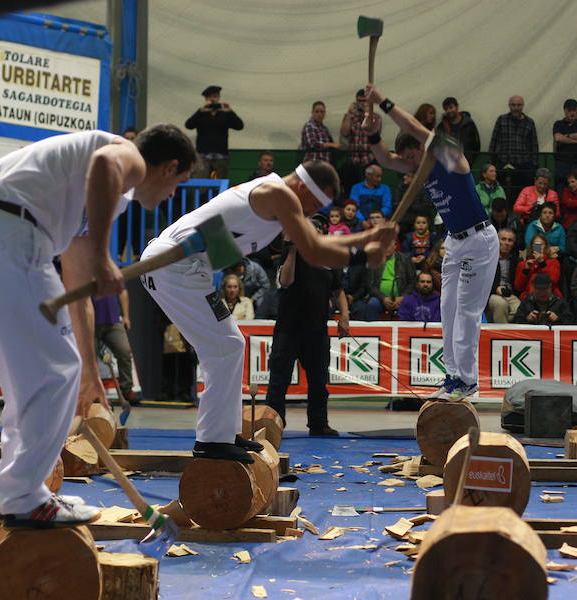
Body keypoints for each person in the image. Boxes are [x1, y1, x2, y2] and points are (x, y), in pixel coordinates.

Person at [0, 124, 197, 527]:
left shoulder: (98, 195)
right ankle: (25, 494)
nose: (170, 195)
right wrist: (103, 254)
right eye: (178, 184)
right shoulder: (126, 158)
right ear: (169, 168)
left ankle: (17, 491)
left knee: (31, 377)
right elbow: (105, 166)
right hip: (10, 235)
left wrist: (87, 372)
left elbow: (78, 285)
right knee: (51, 374)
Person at [142, 160, 394, 462]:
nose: (312, 211)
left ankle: (223, 433)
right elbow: (313, 250)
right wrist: (364, 254)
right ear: (302, 186)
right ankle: (211, 442)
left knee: (232, 344)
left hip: (190, 269)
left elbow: (315, 242)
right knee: (223, 347)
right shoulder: (277, 192)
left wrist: (368, 238)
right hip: (173, 266)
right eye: (314, 202)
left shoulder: (278, 200)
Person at [363, 83, 497, 400]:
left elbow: (415, 128)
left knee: (466, 311)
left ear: (423, 149)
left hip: (479, 239)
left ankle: (467, 380)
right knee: (447, 309)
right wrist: (371, 134)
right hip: (454, 242)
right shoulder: (417, 166)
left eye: (412, 157)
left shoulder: (452, 157)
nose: (408, 165)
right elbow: (385, 159)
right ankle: (452, 377)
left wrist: (382, 101)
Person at [265, 219, 349, 437]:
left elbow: (338, 290)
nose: (317, 232)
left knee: (319, 380)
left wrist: (345, 317)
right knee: (279, 379)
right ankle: (274, 423)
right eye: (312, 229)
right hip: (288, 328)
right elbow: (285, 281)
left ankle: (319, 423)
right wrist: (292, 249)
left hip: (317, 329)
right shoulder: (291, 252)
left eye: (320, 229)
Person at [185, 85, 244, 179]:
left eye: (215, 96)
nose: (213, 99)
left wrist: (230, 111)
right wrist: (200, 111)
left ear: (219, 97)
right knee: (201, 186)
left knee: (220, 186)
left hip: (221, 155)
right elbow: (188, 125)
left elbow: (239, 126)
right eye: (210, 97)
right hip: (203, 155)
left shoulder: (224, 114)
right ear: (206, 99)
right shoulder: (201, 114)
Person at [92, 291, 138, 404]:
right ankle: (93, 392)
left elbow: (122, 291)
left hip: (113, 320)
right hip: (91, 320)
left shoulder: (113, 272)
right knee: (89, 359)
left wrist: (126, 316)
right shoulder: (85, 273)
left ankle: (126, 389)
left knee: (124, 352)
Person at [489, 95, 539, 192]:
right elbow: (493, 142)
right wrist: (491, 162)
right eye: (513, 105)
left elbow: (534, 145)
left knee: (523, 190)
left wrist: (534, 164)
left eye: (518, 105)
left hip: (524, 163)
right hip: (503, 162)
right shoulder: (501, 120)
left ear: (523, 106)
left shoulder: (530, 122)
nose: (516, 108)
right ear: (509, 106)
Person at [338, 89, 373, 196]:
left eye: (364, 101)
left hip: (369, 159)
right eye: (359, 101)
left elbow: (374, 131)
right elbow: (344, 133)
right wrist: (349, 113)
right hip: (353, 159)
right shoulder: (351, 117)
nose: (361, 104)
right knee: (350, 190)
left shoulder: (375, 116)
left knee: (368, 191)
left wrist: (368, 112)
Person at [366, 245, 416, 318]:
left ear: (395, 246)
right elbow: (370, 284)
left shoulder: (405, 259)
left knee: (409, 302)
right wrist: (383, 298)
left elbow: (412, 282)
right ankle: (374, 329)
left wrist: (402, 297)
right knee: (372, 303)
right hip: (380, 298)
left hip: (401, 297)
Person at [552, 98, 577, 190]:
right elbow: (558, 138)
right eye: (569, 110)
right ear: (564, 111)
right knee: (561, 187)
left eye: (574, 110)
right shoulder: (558, 124)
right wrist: (576, 140)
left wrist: (567, 136)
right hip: (562, 162)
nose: (572, 113)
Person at [486, 228, 521, 323]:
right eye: (503, 239)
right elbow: (482, 281)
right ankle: (500, 336)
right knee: (500, 304)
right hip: (492, 293)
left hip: (510, 294)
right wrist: (495, 289)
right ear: (497, 240)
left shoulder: (516, 261)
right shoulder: (488, 258)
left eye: (510, 240)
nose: (506, 243)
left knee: (519, 307)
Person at [436, 96, 481, 165]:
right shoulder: (441, 127)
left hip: (467, 162)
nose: (449, 111)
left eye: (451, 107)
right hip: (449, 164)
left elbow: (476, 143)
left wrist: (471, 159)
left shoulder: (469, 124)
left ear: (457, 107)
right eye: (446, 109)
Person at [515, 234, 562, 299]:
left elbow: (553, 281)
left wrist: (542, 263)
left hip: (550, 296)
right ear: (531, 247)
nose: (538, 247)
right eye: (536, 244)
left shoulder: (553, 262)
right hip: (529, 299)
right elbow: (518, 287)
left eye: (541, 244)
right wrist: (526, 270)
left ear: (545, 246)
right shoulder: (523, 264)